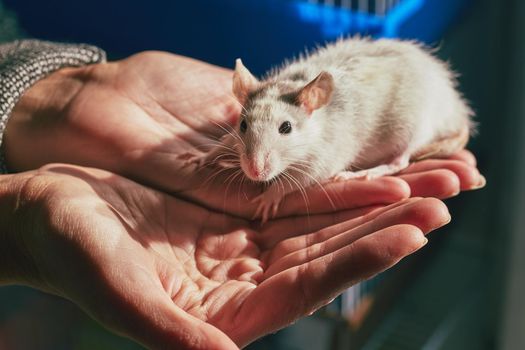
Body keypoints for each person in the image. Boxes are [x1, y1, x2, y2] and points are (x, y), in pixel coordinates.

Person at [0, 40, 484, 349]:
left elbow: (326, 159)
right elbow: (257, 143)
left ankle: (402, 157)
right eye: (246, 129)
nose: (257, 162)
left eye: (284, 131)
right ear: (242, 100)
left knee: (401, 137)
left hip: (414, 90)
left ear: (312, 104)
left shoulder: (324, 127)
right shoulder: (261, 104)